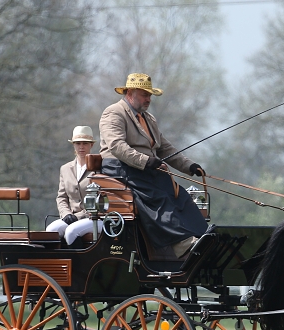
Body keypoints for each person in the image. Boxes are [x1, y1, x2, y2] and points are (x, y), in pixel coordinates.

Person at [98, 73, 208, 257]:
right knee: (159, 196)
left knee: (180, 195)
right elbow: (117, 146)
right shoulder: (114, 112)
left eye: (150, 95)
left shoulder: (148, 119)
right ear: (131, 93)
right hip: (119, 169)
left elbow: (165, 148)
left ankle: (202, 237)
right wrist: (146, 160)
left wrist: (189, 166)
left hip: (145, 170)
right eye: (145, 95)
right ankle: (182, 244)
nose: (149, 99)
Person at [46, 126, 97, 246]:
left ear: (91, 145)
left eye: (85, 143)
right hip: (70, 217)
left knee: (71, 232)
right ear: (73, 145)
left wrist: (78, 216)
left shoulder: (98, 169)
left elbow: (99, 199)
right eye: (78, 143)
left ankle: (80, 264)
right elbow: (61, 197)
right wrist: (66, 214)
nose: (81, 147)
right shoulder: (65, 169)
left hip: (93, 218)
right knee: (51, 231)